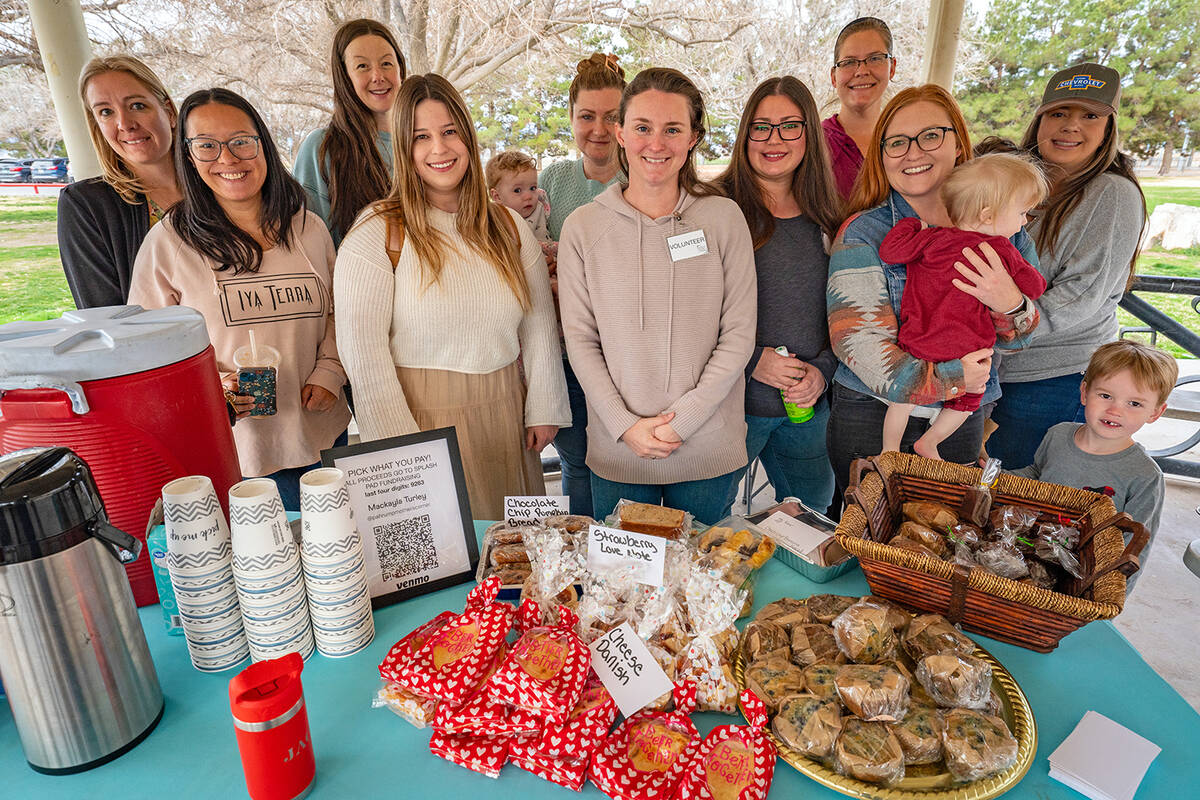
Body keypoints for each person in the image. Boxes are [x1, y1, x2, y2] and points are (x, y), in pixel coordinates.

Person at [333, 74, 569, 521]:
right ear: (404, 147)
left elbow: (537, 322)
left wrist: (544, 404)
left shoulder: (507, 226)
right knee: (448, 566)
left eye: (449, 132)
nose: (439, 149)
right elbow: (362, 351)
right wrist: (401, 450)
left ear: (467, 135)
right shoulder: (376, 232)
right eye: (421, 137)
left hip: (508, 415)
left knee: (517, 563)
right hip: (420, 419)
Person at [128, 88, 350, 510]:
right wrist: (211, 388)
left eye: (241, 141)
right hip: (238, 450)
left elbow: (344, 310)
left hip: (321, 430)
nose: (227, 159)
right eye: (207, 146)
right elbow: (148, 351)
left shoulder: (308, 228)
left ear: (262, 145)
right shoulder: (169, 242)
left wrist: (330, 371)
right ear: (189, 157)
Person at [558, 67, 757, 524]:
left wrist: (682, 421)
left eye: (673, 129)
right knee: (624, 590)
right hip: (618, 449)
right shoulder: (582, 228)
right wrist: (626, 425)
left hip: (708, 448)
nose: (656, 143)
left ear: (693, 138)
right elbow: (581, 341)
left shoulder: (723, 219)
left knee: (704, 589)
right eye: (643, 128)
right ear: (621, 132)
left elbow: (739, 334)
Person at [825, 84, 1041, 495]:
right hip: (874, 411)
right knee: (863, 532)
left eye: (930, 135)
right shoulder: (865, 233)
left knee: (943, 533)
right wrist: (950, 378)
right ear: (882, 155)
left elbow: (1021, 338)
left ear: (958, 143)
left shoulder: (1005, 227)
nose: (913, 152)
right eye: (896, 142)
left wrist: (1008, 302)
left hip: (957, 415)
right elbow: (857, 342)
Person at [988, 62, 1148, 469]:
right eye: (1058, 113)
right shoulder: (1015, 179)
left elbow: (1081, 297)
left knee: (1018, 499)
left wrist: (1005, 324)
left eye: (1089, 115)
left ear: (1108, 127)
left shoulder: (1111, 193)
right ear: (1040, 119)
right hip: (986, 370)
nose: (1070, 126)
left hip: (1050, 380)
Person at [714, 76, 842, 514]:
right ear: (745, 133)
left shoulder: (831, 218)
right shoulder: (712, 209)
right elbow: (684, 314)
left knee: (814, 521)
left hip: (806, 409)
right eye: (761, 126)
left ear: (810, 134)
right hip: (727, 408)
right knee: (705, 524)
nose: (774, 139)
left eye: (790, 125)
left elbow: (845, 317)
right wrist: (751, 359)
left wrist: (822, 372)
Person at [879, 153, 1049, 460]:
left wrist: (909, 225)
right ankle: (930, 442)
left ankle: (889, 449)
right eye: (1023, 212)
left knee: (901, 399)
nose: (1024, 221)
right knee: (968, 402)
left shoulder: (932, 238)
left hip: (919, 342)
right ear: (987, 215)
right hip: (969, 352)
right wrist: (1011, 288)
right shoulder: (1001, 249)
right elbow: (1036, 286)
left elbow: (891, 252)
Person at [539, 53, 627, 516]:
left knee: (623, 462)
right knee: (576, 461)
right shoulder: (550, 181)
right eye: (587, 116)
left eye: (612, 117)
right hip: (567, 355)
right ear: (571, 118)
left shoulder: (641, 181)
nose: (599, 129)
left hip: (626, 361)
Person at [1012, 340, 1176, 588]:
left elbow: (1136, 546)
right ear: (1084, 392)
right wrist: (995, 475)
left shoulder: (1144, 475)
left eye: (1134, 403)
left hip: (1080, 576)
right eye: (1105, 395)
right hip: (1028, 552)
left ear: (1154, 413)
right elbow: (1036, 472)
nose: (1115, 410)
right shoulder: (1058, 434)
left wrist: (1112, 597)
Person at [59, 55, 181, 308]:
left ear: (168, 112)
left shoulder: (219, 181)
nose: (125, 124)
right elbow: (105, 316)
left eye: (137, 105)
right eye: (106, 112)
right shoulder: (87, 205)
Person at [293, 18, 405, 246]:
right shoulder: (322, 148)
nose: (378, 76)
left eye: (386, 63)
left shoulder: (425, 141)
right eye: (362, 66)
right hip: (355, 280)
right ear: (345, 77)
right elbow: (310, 243)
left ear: (400, 68)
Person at [822, 17, 896, 201]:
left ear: (892, 67)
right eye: (848, 62)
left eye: (874, 59)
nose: (862, 71)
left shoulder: (909, 141)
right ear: (834, 77)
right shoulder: (815, 143)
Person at [486, 150, 551, 242]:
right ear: (497, 197)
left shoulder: (540, 206)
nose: (528, 196)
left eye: (532, 188)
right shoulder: (494, 220)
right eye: (517, 190)